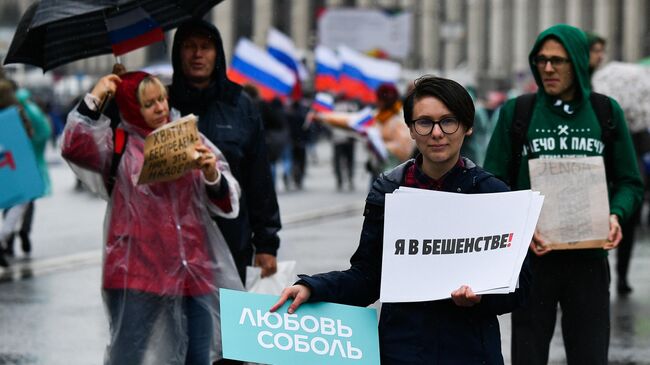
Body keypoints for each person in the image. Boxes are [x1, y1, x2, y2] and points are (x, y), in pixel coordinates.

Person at [271, 76, 531, 364]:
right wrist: (313, 287)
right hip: (403, 350)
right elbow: (369, 276)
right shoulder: (388, 189)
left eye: (448, 121)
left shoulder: (492, 193)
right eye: (424, 122)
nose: (436, 133)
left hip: (469, 350)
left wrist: (482, 297)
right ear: (410, 129)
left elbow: (519, 287)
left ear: (468, 127)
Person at [483, 24, 643, 365]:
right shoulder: (518, 112)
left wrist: (616, 214)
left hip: (589, 262)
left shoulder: (605, 111)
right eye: (541, 60)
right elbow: (492, 181)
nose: (548, 68)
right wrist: (521, 227)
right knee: (528, 355)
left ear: (580, 62)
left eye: (559, 60)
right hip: (532, 262)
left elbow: (630, 181)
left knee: (590, 355)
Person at [61, 71, 244, 364]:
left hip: (192, 269)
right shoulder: (118, 145)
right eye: (148, 104)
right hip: (136, 270)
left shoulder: (188, 137)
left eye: (162, 99)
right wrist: (96, 95)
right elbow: (73, 145)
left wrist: (211, 174)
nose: (160, 108)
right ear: (133, 108)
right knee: (129, 358)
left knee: (198, 357)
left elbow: (225, 201)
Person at [169, 19, 280, 284]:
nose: (197, 54)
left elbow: (259, 177)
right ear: (178, 53)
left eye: (205, 47)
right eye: (189, 47)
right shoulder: (163, 104)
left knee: (226, 323)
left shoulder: (240, 105)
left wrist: (266, 244)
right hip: (172, 246)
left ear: (217, 53)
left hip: (232, 241)